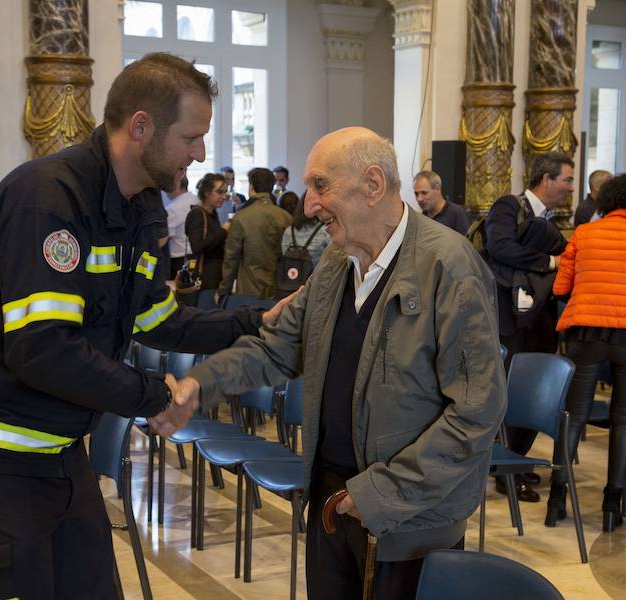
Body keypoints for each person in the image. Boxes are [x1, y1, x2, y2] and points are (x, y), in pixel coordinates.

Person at [0, 53, 291, 599]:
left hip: (59, 451)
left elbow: (157, 319)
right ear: (142, 127)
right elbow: (40, 349)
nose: (200, 153)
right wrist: (155, 394)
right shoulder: (50, 198)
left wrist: (254, 320)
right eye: (192, 136)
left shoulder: (139, 209)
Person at [176, 127, 506, 600]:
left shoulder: (449, 266)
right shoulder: (336, 261)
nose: (309, 204)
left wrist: (376, 495)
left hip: (409, 518)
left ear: (373, 185)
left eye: (321, 185)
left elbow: (476, 414)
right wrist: (198, 386)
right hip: (332, 495)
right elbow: (276, 347)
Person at [549, 174, 626, 532]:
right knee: (623, 419)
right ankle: (611, 504)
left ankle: (557, 498)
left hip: (586, 332)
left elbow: (560, 289)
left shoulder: (583, 233)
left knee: (573, 416)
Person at [484, 151, 572, 502]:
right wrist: (552, 261)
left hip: (537, 316)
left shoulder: (548, 220)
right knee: (514, 391)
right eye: (566, 179)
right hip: (508, 316)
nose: (570, 186)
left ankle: (515, 463)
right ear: (546, 179)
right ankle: (509, 469)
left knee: (532, 390)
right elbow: (499, 247)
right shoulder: (508, 206)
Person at [217, 167, 293, 301]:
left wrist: (224, 290)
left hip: (248, 289)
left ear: (251, 187)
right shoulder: (286, 217)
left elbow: (231, 258)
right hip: (279, 289)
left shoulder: (240, 217)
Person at [185, 172, 231, 296]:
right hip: (204, 278)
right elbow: (198, 246)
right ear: (206, 192)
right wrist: (223, 231)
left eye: (225, 192)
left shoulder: (212, 214)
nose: (223, 196)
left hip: (213, 276)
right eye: (219, 192)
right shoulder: (197, 214)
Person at [280, 192, 331, 268]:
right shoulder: (325, 231)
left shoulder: (289, 231)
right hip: (316, 277)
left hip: (292, 277)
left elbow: (284, 253)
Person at [412, 170, 471, 235]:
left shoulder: (456, 213)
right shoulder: (421, 217)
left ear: (437, 189)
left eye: (424, 193)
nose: (419, 199)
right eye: (416, 194)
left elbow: (466, 243)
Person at [163, 175, 198, 277]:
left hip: (179, 260)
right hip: (196, 256)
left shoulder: (173, 209)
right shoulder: (196, 200)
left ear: (176, 184)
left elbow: (163, 238)